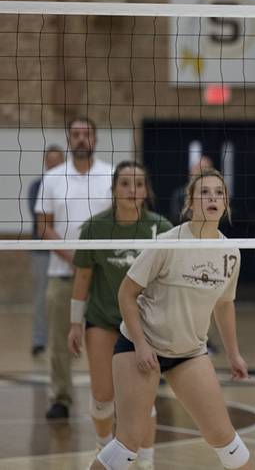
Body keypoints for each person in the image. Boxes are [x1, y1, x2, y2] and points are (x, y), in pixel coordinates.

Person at [89, 168, 252, 470]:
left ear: (226, 203)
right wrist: (140, 345)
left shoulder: (231, 252)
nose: (212, 198)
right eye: (204, 192)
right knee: (128, 444)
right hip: (142, 346)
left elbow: (224, 304)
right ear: (190, 202)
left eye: (219, 193)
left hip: (189, 352)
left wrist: (233, 354)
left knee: (225, 438)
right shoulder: (168, 242)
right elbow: (126, 294)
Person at [67, 161, 171, 468]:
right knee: (102, 398)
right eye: (125, 183)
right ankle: (103, 448)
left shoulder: (162, 229)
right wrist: (75, 323)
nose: (132, 190)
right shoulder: (95, 228)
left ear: (146, 191)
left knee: (143, 399)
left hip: (143, 324)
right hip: (103, 319)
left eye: (138, 184)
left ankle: (147, 462)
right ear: (113, 189)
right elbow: (83, 277)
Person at [35, 118, 113, 420]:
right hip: (62, 273)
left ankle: (111, 397)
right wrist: (75, 257)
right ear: (69, 139)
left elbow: (120, 222)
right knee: (59, 341)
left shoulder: (110, 175)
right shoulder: (52, 178)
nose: (81, 139)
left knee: (108, 340)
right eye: (76, 134)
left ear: (96, 139)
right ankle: (60, 398)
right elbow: (44, 227)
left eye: (87, 134)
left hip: (103, 277)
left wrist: (94, 259)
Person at [28, 145, 65, 356]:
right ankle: (39, 341)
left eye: (56, 162)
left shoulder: (69, 184)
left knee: (67, 297)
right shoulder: (37, 186)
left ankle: (68, 341)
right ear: (45, 163)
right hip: (42, 249)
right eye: (49, 162)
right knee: (42, 296)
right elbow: (41, 219)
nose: (53, 166)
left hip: (67, 248)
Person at [169, 155, 213, 225]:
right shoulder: (179, 194)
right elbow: (176, 218)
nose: (200, 172)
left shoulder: (216, 195)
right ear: (191, 171)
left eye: (204, 169)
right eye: (197, 168)